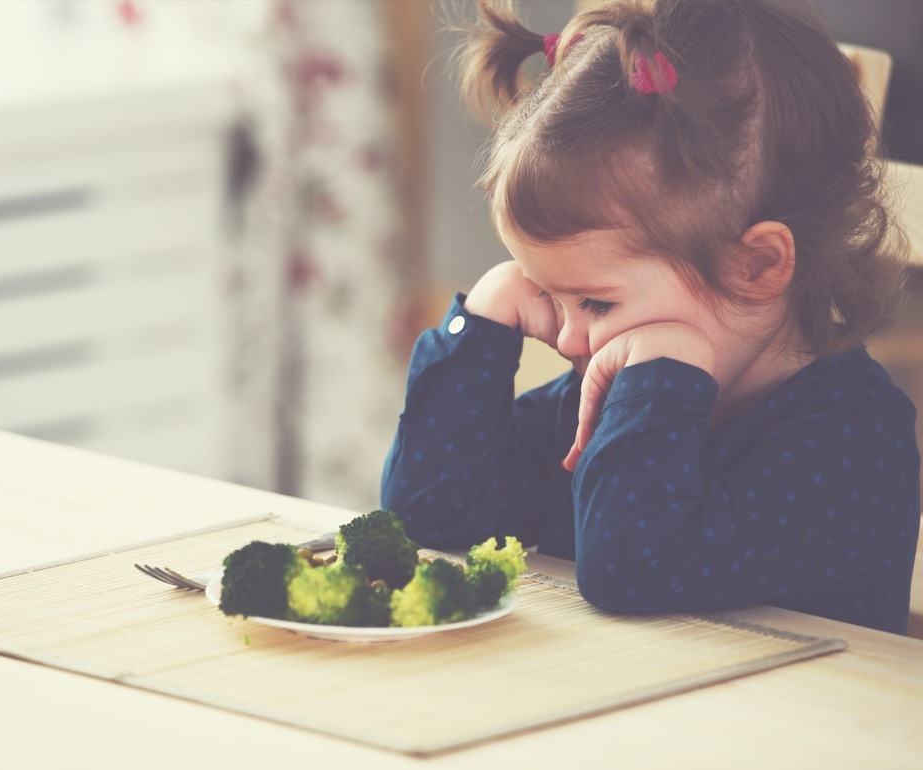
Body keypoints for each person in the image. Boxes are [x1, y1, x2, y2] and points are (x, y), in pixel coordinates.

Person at [382, 0, 920, 634]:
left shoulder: (850, 441)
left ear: (757, 266)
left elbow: (630, 572)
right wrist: (481, 324)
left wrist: (663, 382)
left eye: (596, 303)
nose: (563, 335)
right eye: (548, 294)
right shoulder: (600, 392)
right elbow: (428, 522)